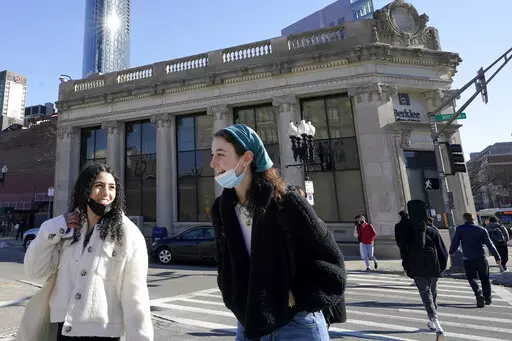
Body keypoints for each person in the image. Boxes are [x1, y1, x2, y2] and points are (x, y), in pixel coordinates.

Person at [210, 124, 346, 340]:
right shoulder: (222, 209)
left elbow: (332, 265)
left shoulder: (287, 202)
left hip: (297, 324)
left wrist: (295, 297)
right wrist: (232, 295)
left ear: (246, 158)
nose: (212, 163)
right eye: (212, 154)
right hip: (248, 322)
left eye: (220, 154)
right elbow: (224, 261)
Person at [24, 164, 153, 340]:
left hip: (102, 334)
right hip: (64, 330)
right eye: (99, 185)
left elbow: (136, 298)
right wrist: (50, 228)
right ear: (85, 190)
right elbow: (34, 272)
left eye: (112, 187)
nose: (106, 192)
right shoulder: (66, 230)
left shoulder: (128, 234)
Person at [395, 208, 448, 337]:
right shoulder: (432, 231)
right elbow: (443, 252)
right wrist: (441, 268)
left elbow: (404, 252)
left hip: (417, 269)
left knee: (425, 294)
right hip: (433, 268)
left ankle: (434, 319)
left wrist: (407, 268)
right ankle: (433, 319)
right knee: (432, 292)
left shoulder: (409, 233)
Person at [449, 213, 501, 308]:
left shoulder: (460, 229)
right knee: (485, 278)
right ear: (473, 219)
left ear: (465, 219)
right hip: (481, 257)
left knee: (472, 278)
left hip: (468, 258)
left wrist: (451, 251)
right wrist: (497, 257)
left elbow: (455, 241)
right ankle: (488, 299)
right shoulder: (482, 229)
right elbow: (490, 244)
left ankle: (478, 294)